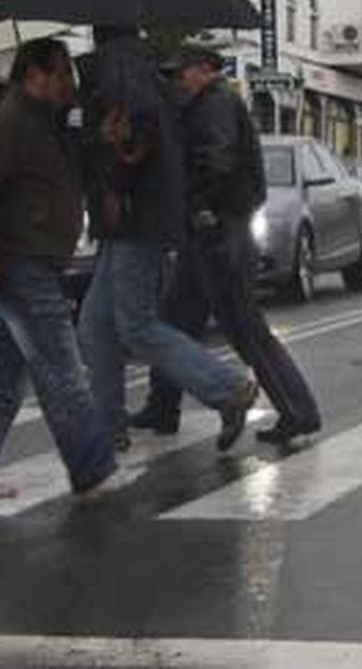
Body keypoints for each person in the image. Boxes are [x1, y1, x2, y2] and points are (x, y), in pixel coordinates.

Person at [0, 39, 115, 499]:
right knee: (62, 369)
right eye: (62, 74)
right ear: (35, 75)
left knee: (4, 374)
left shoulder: (52, 124)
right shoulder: (6, 124)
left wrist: (103, 134)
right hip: (23, 259)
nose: (70, 84)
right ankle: (93, 468)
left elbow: (75, 172)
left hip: (41, 257)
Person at [77, 27, 258, 454]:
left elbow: (134, 148)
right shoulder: (133, 72)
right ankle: (107, 423)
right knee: (96, 326)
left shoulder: (122, 73)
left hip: (134, 218)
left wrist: (110, 156)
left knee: (135, 325)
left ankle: (229, 388)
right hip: (126, 219)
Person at [131, 46, 322, 446]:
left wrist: (197, 203)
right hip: (206, 232)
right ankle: (162, 406)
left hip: (220, 230)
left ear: (204, 70)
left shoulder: (215, 104)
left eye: (181, 72)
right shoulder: (202, 104)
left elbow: (215, 163)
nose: (176, 81)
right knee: (173, 321)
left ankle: (298, 412)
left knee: (246, 329)